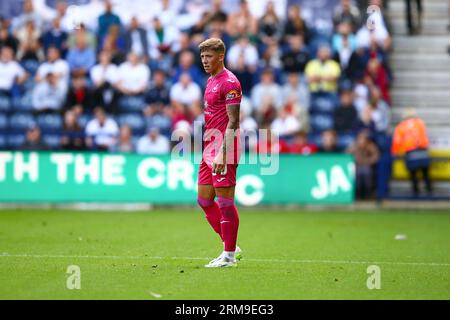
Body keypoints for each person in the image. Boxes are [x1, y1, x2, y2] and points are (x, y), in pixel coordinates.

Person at [197, 38, 243, 268]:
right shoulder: (211, 80)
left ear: (220, 56)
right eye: (203, 56)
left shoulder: (230, 83)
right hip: (209, 147)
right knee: (204, 199)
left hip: (225, 148)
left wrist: (223, 153)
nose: (205, 61)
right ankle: (231, 245)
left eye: (209, 56)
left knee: (225, 203)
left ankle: (229, 257)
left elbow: (234, 121)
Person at [391, 109, 432, 197]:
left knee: (413, 174)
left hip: (411, 152)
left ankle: (415, 193)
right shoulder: (420, 123)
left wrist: (395, 152)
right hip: (423, 150)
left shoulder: (401, 126)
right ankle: (429, 191)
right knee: (425, 173)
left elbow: (397, 141)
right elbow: (424, 136)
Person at [346, 130, 380, 199]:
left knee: (366, 172)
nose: (362, 141)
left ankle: (368, 194)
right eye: (360, 139)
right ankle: (357, 194)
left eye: (364, 139)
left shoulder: (370, 146)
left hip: (367, 166)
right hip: (356, 166)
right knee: (357, 174)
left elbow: (376, 156)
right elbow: (346, 156)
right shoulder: (353, 146)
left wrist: (367, 161)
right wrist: (354, 161)